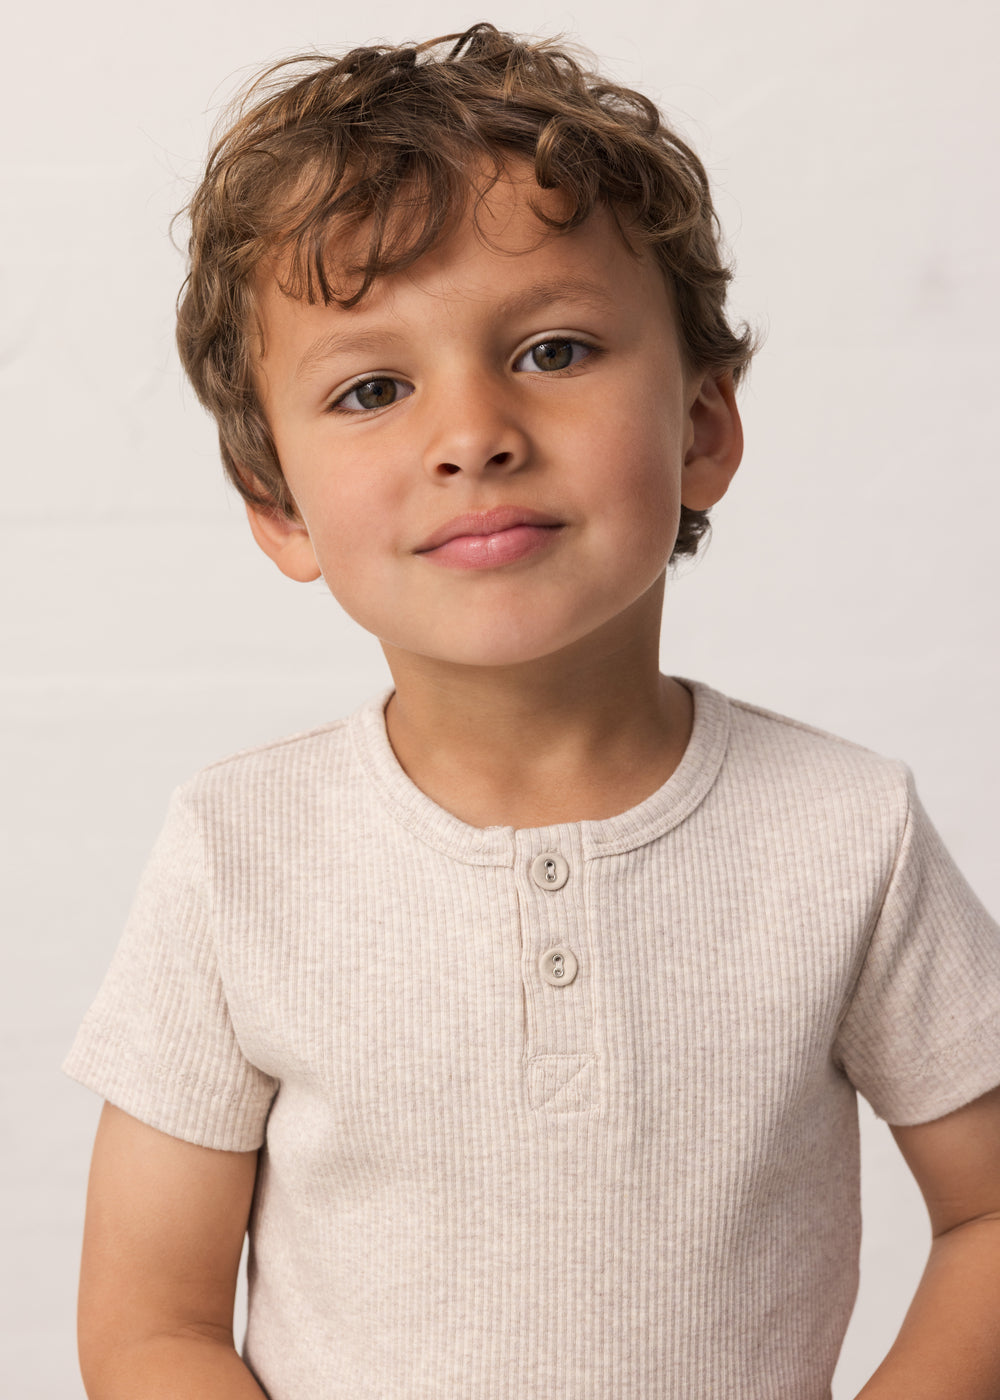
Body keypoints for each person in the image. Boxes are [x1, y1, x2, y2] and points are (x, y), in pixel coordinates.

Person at [63, 22, 1000, 1400]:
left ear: (702, 429)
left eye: (554, 349)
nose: (473, 432)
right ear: (278, 506)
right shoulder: (236, 850)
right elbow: (151, 1323)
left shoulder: (845, 833)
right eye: (374, 388)